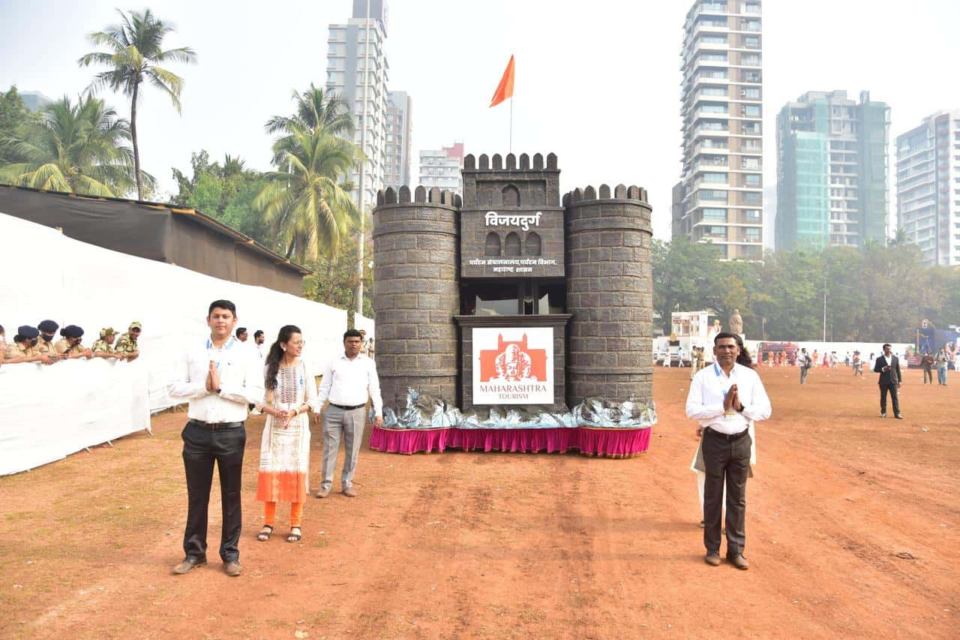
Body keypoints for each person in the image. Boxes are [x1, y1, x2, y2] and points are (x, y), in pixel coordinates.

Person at [168, 300, 264, 577]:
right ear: (208, 319)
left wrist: (221, 388)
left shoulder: (247, 353)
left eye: (226, 316)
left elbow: (256, 394)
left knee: (231, 495)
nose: (221, 321)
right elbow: (173, 387)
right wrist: (203, 387)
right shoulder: (193, 350)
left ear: (234, 321)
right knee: (197, 495)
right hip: (197, 432)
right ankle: (194, 553)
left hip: (230, 432)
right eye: (216, 316)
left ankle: (230, 555)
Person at [686, 332, 771, 570]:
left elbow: (765, 411)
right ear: (714, 351)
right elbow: (692, 410)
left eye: (731, 347)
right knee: (713, 496)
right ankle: (712, 549)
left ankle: (736, 551)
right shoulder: (703, 377)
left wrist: (741, 407)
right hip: (714, 441)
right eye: (721, 347)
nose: (726, 351)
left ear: (738, 350)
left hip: (741, 441)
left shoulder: (749, 376)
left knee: (737, 499)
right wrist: (721, 408)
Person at [255, 325, 317, 544]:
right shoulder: (269, 369)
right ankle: (268, 522)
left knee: (297, 473)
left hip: (298, 429)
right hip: (274, 429)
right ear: (283, 345)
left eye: (302, 342)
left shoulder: (305, 367)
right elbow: (258, 401)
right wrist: (275, 412)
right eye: (296, 342)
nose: (300, 346)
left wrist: (294, 412)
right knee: (271, 473)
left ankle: (295, 524)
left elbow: (312, 401)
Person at [314, 328, 383, 499]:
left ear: (361, 343)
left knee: (353, 450)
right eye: (350, 341)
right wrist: (317, 407)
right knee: (330, 449)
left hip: (357, 412)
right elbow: (325, 386)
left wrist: (378, 411)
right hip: (333, 411)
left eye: (357, 342)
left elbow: (374, 388)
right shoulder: (333, 362)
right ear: (344, 343)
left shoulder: (368, 363)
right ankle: (325, 485)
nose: (354, 344)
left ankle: (347, 484)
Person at [873, 344, 903, 419]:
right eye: (887, 349)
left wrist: (900, 380)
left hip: (893, 381)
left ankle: (897, 413)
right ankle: (883, 412)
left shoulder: (895, 358)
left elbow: (898, 370)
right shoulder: (879, 359)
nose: (889, 350)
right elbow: (875, 369)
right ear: (884, 350)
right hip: (883, 381)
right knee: (883, 397)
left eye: (889, 349)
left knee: (895, 397)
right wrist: (883, 369)